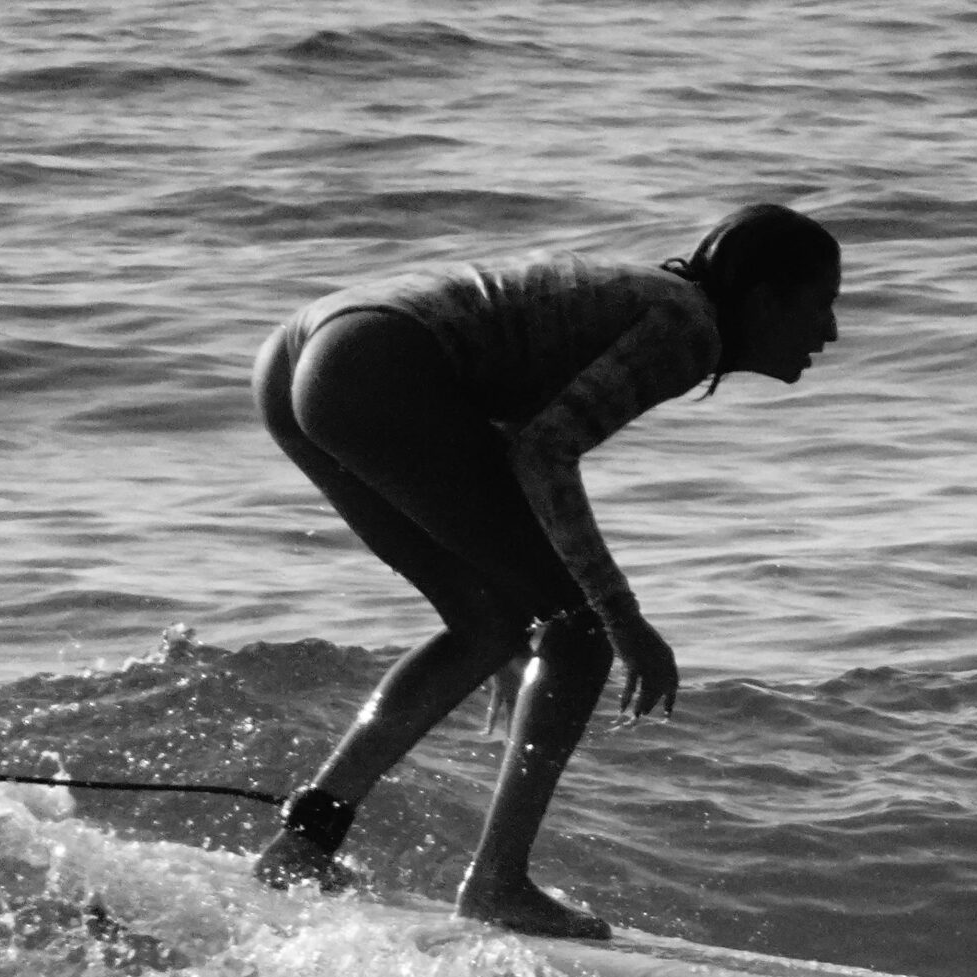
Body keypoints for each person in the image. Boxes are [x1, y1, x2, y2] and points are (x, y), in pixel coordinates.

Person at [246, 204, 840, 938]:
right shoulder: (688, 327)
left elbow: (500, 437)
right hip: (374, 361)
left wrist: (517, 618)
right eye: (821, 304)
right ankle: (496, 882)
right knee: (579, 631)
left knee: (487, 622)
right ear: (764, 300)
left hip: (300, 354)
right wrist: (620, 616)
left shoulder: (646, 298)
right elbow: (544, 456)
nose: (831, 332)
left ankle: (302, 845)